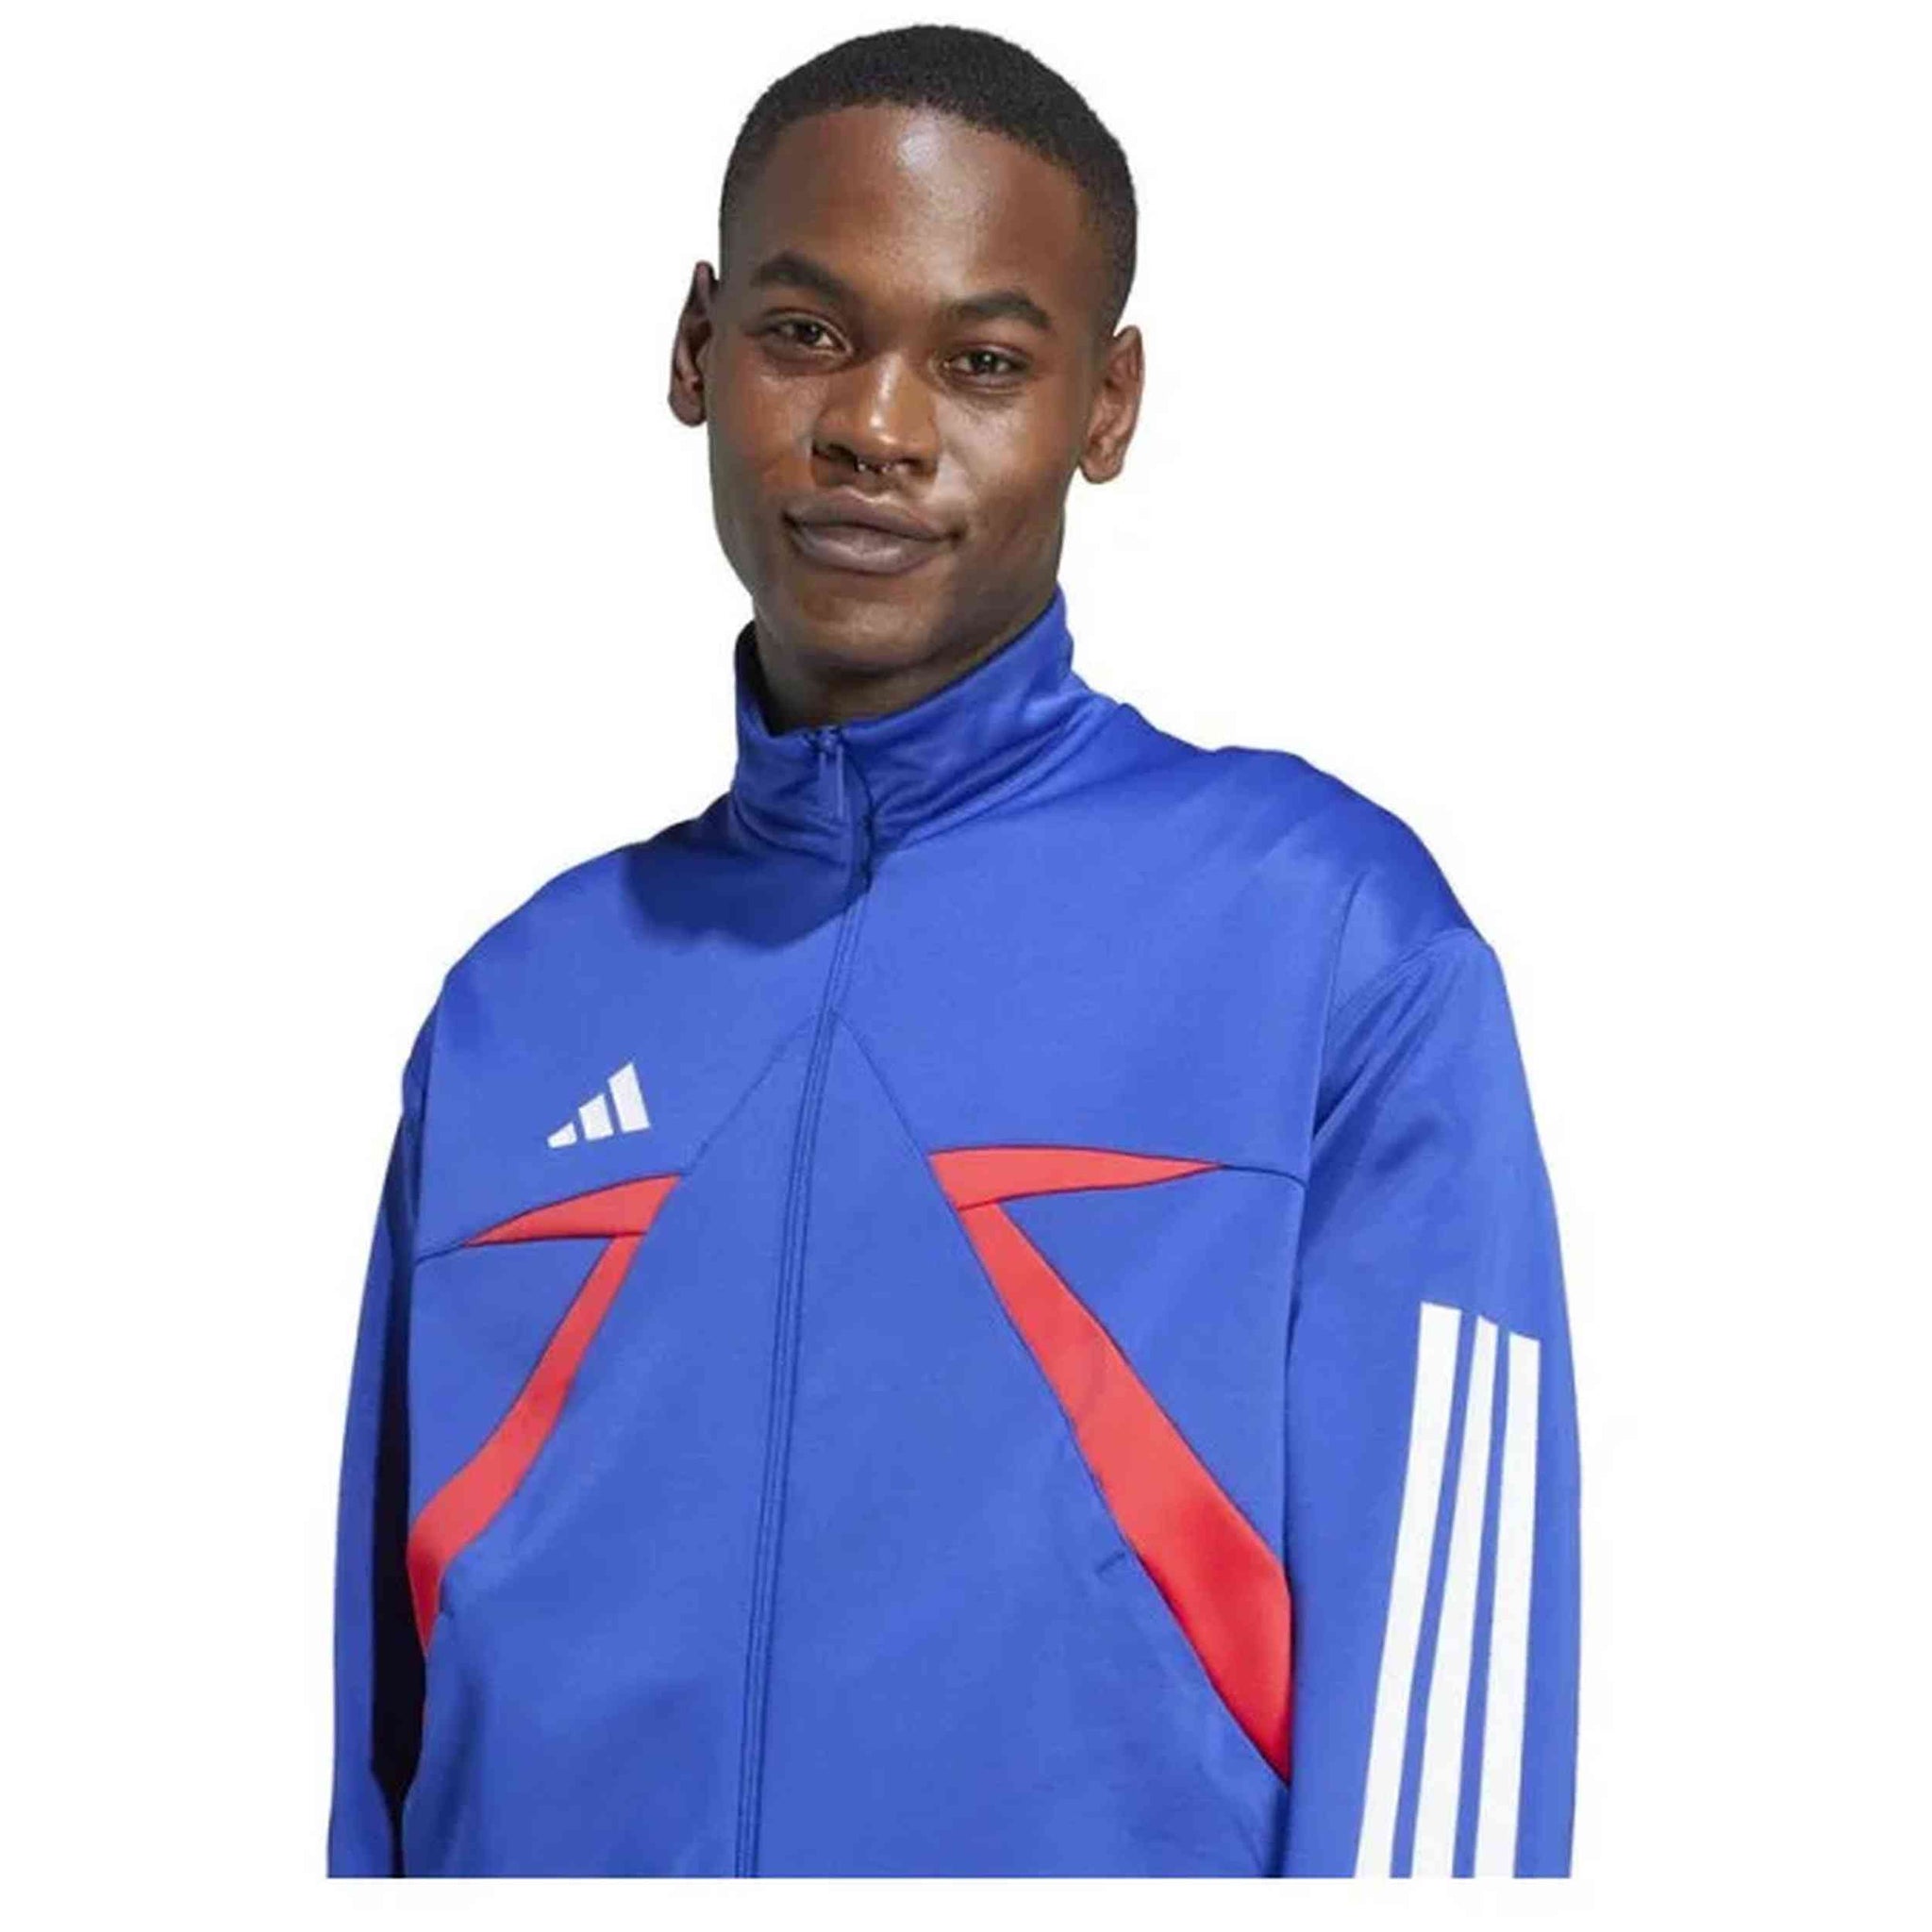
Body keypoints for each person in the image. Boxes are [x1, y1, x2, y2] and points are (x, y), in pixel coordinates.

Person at [328, 23, 1580, 1879]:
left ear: (1106, 406)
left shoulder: (1326, 948)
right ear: (695, 347)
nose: (878, 429)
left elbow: (1442, 1768)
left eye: (982, 362)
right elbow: (387, 1750)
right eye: (806, 332)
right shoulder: (515, 1011)